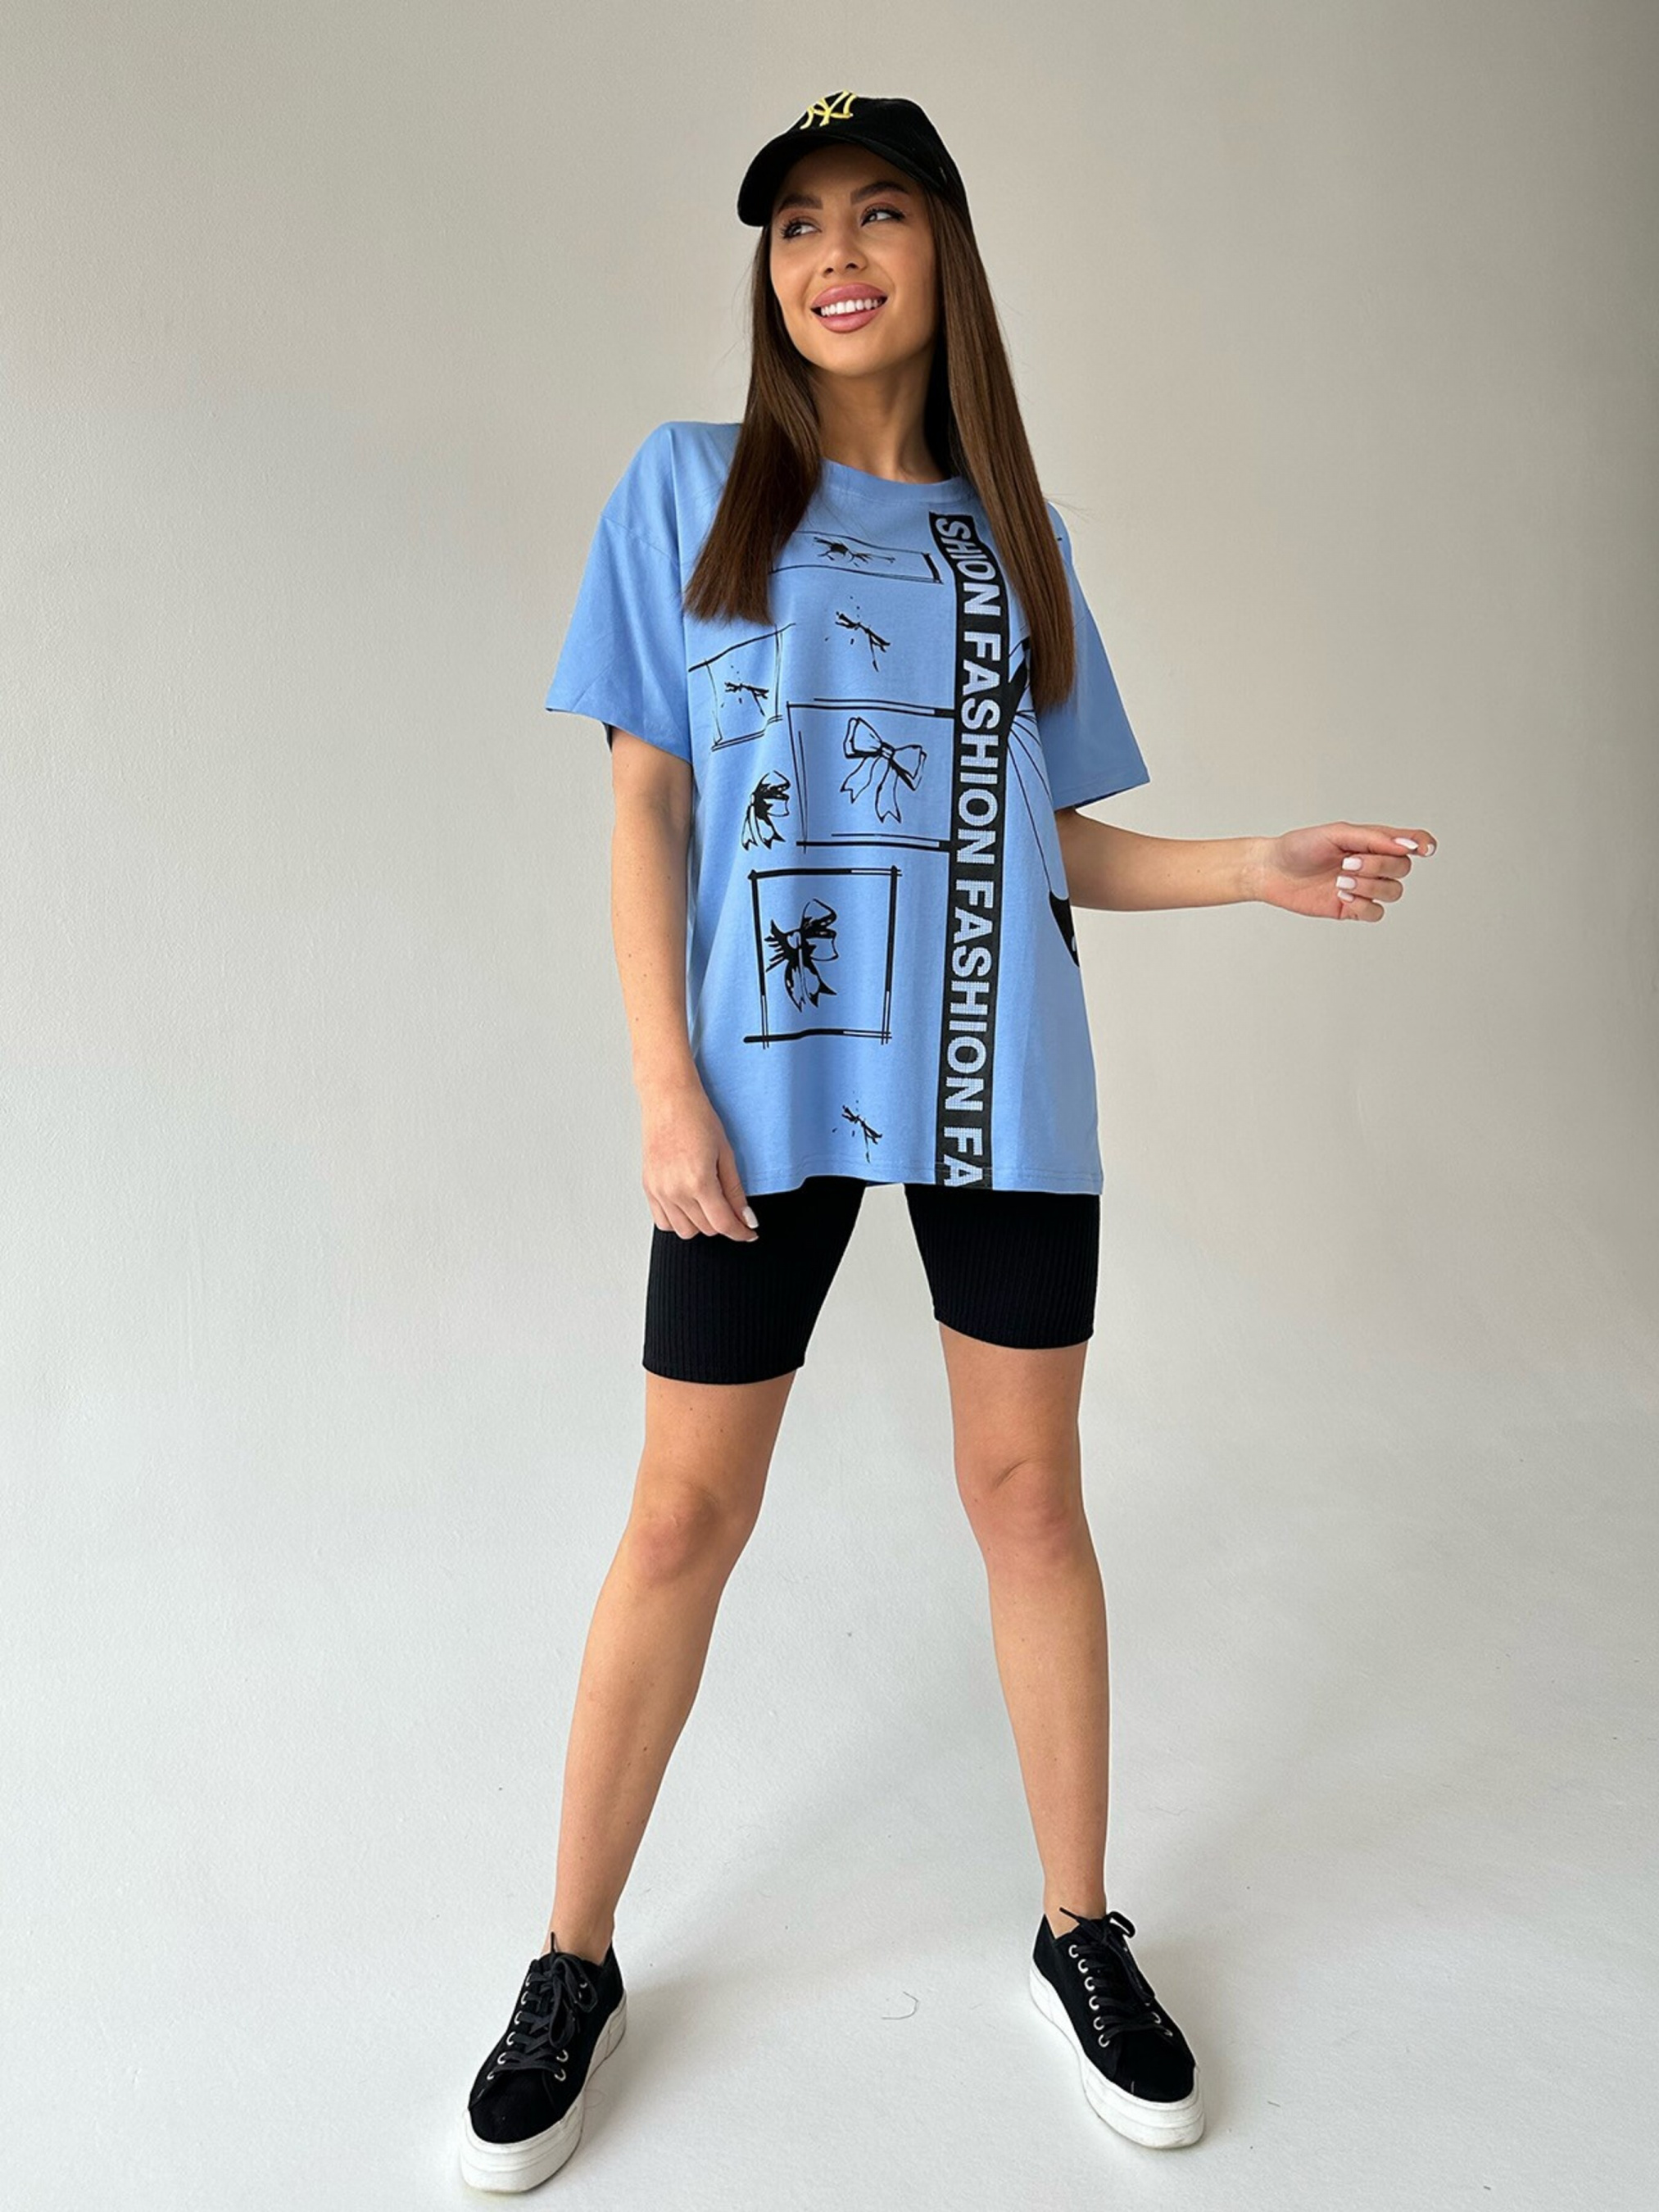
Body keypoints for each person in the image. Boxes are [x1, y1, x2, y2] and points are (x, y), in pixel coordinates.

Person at [458, 91, 1436, 2192]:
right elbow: (643, 800)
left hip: (1002, 1079)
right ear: (767, 272)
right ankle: (569, 1958)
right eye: (797, 223)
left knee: (1026, 1502)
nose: (835, 252)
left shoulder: (1015, 538)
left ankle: (1079, 1928)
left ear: (941, 253)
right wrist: (660, 1083)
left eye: (879, 211)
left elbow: (1050, 841)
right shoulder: (686, 489)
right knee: (678, 1521)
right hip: (755, 1089)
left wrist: (1247, 864)